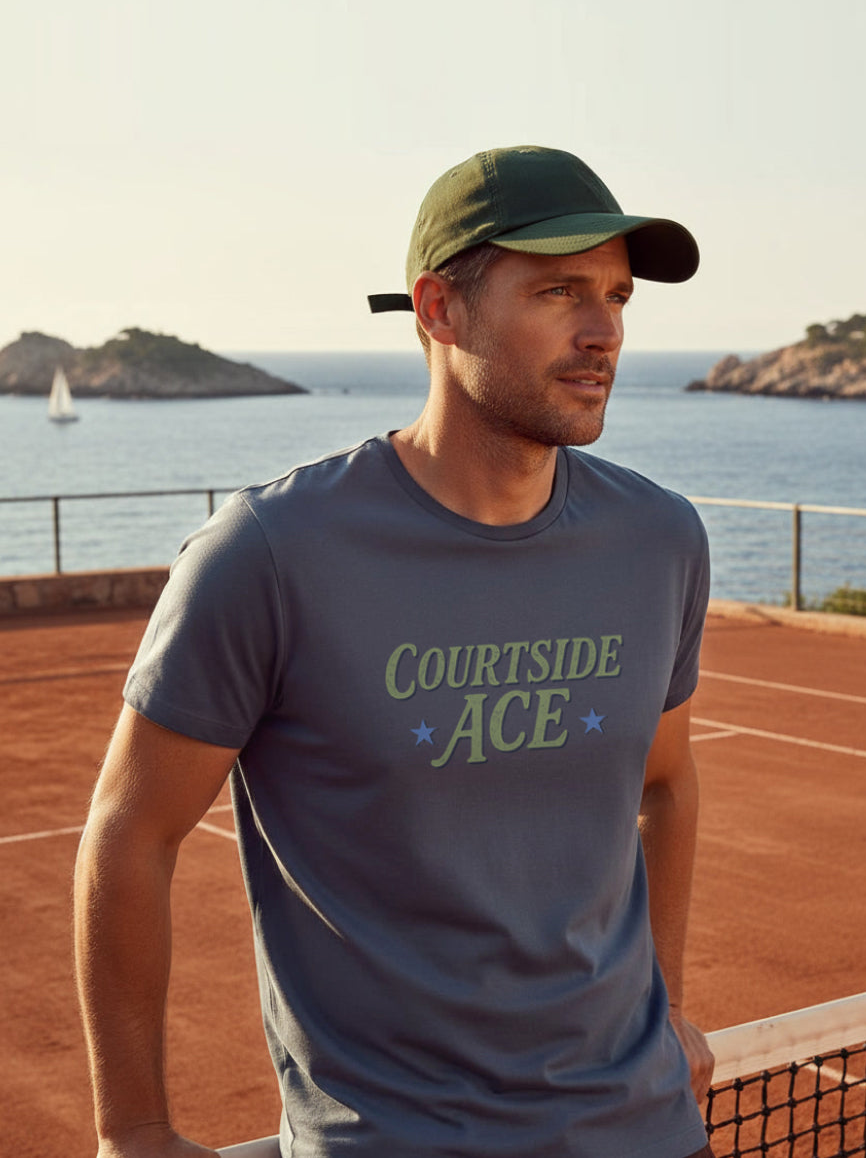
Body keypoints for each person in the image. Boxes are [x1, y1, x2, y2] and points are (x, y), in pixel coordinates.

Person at [74, 145, 715, 1158]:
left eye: (617, 295)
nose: (604, 334)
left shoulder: (661, 539)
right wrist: (134, 1126)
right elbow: (129, 828)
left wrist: (669, 1004)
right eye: (556, 291)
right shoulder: (269, 554)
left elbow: (668, 783)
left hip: (644, 1133)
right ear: (438, 307)